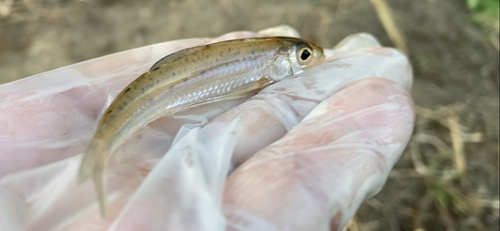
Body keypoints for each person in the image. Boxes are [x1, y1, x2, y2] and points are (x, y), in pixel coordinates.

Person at [0, 26, 414, 231]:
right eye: (304, 57)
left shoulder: (267, 60)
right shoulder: (268, 61)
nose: (308, 60)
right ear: (284, 60)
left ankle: (100, 157)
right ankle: (100, 156)